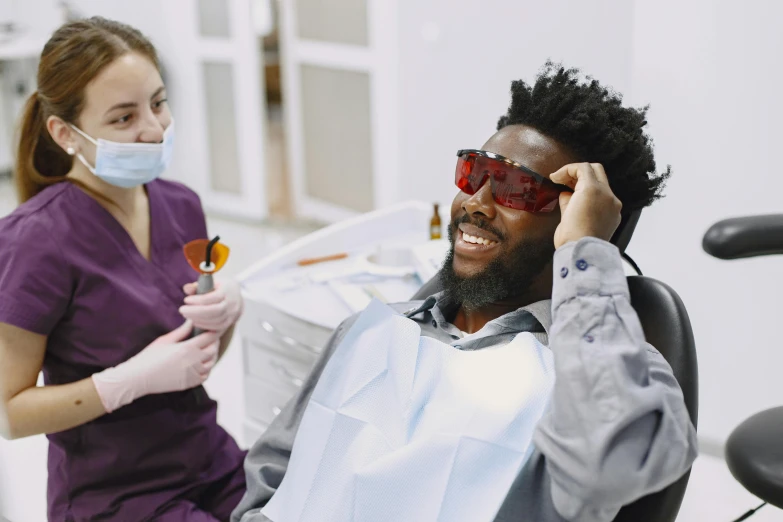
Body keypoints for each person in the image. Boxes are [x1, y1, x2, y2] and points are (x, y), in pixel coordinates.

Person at [231, 62, 699, 522]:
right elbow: (275, 471)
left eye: (515, 188)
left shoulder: (601, 377)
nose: (475, 202)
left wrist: (586, 255)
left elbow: (607, 466)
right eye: (474, 173)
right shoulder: (369, 331)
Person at [0, 18, 246, 521]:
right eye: (123, 117)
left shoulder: (181, 206)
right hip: (115, 495)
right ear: (65, 133)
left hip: (209, 461)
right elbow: (10, 413)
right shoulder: (36, 240)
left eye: (158, 103)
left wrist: (228, 315)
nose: (154, 129)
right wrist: (123, 382)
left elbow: (197, 363)